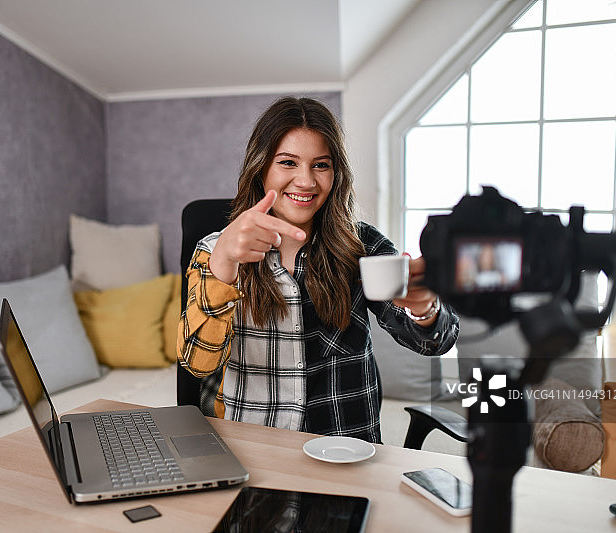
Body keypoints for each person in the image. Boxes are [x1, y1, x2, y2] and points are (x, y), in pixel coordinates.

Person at [177, 96, 459, 443]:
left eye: (321, 165)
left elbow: (437, 343)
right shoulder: (214, 249)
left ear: (336, 173)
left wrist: (424, 309)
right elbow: (196, 363)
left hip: (346, 447)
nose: (306, 181)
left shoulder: (363, 247)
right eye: (287, 163)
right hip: (254, 446)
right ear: (261, 167)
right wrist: (223, 266)